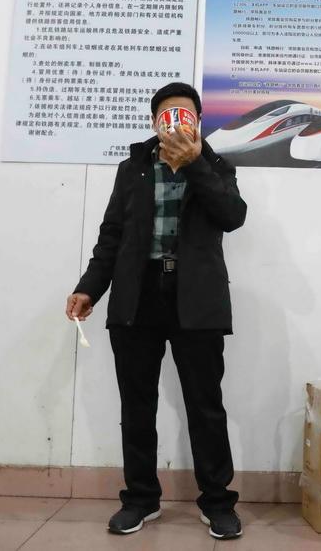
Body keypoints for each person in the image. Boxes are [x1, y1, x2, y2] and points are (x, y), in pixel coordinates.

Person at [66, 82, 247, 539]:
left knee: (205, 406)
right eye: (167, 114)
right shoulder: (133, 168)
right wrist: (89, 288)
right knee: (137, 405)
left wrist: (196, 164)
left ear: (198, 122)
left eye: (185, 114)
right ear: (154, 122)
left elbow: (232, 216)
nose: (176, 121)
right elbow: (112, 235)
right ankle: (141, 499)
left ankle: (217, 502)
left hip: (196, 299)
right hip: (138, 295)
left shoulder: (217, 165)